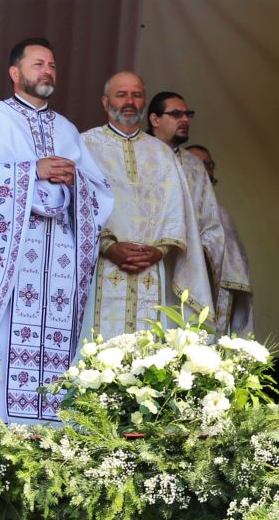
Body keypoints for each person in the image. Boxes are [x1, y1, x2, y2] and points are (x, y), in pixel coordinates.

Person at [0, 38, 113, 427]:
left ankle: (49, 431)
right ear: (15, 73)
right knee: (5, 343)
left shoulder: (68, 130)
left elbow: (99, 193)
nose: (48, 70)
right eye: (38, 64)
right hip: (10, 263)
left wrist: (77, 185)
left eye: (52, 64)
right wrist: (31, 171)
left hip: (58, 270)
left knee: (55, 351)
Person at [81, 72, 212, 337]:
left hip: (153, 268)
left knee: (151, 352)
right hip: (100, 267)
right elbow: (76, 208)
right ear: (105, 102)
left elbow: (178, 209)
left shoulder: (161, 152)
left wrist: (160, 250)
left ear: (144, 103)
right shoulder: (85, 146)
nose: (129, 101)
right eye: (121, 95)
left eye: (137, 95)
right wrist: (108, 246)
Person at [147, 92, 233, 322]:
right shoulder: (140, 156)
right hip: (146, 262)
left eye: (187, 114)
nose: (184, 119)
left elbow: (211, 221)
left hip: (184, 264)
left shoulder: (195, 166)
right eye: (176, 114)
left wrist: (197, 251)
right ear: (155, 119)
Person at [186, 145, 254, 336]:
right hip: (188, 287)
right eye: (197, 163)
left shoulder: (220, 212)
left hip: (220, 287)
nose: (204, 168)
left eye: (208, 164)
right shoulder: (175, 209)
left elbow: (234, 257)